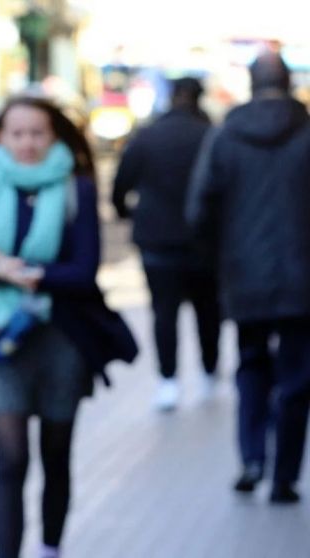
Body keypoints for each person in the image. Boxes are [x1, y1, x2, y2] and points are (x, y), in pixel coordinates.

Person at [0, 96, 136, 558]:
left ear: (54, 137)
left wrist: (19, 270)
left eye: (38, 133)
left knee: (56, 454)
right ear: (0, 137)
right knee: (12, 459)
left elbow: (83, 270)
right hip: (2, 338)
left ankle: (51, 548)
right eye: (17, 133)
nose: (28, 143)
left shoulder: (77, 188)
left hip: (62, 336)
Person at [187, 51, 310, 504]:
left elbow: (199, 211)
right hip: (302, 282)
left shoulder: (225, 137)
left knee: (252, 366)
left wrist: (220, 261)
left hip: (245, 278)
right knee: (297, 378)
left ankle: (252, 458)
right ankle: (285, 477)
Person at [113, 77, 221, 411]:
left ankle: (168, 381)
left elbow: (120, 186)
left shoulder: (148, 136)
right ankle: (209, 373)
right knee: (208, 311)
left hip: (157, 241)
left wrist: (129, 213)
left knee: (164, 312)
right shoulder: (210, 136)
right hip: (203, 241)